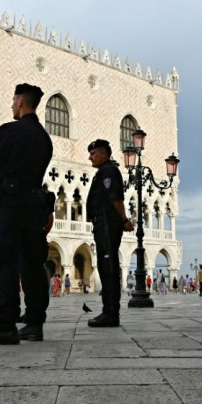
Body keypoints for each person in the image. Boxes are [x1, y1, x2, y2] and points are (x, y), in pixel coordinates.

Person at [0, 83, 53, 345]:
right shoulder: (44, 138)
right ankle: (34, 323)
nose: (11, 105)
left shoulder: (10, 130)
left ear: (20, 101)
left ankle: (6, 323)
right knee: (32, 264)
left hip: (11, 204)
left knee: (6, 261)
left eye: (13, 100)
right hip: (35, 205)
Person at [85, 139, 134, 328]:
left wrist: (123, 219)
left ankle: (110, 313)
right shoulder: (104, 172)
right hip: (103, 223)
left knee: (108, 266)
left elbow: (115, 198)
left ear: (104, 154)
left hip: (106, 222)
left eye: (93, 153)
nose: (90, 157)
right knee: (106, 265)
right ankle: (109, 311)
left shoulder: (108, 171)